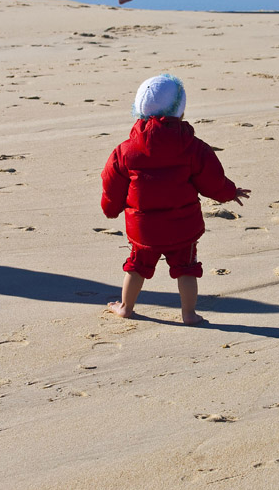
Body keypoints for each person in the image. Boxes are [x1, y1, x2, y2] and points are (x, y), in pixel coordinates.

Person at [100, 74, 251, 325]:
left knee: (136, 266)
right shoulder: (193, 147)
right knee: (186, 269)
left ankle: (126, 307)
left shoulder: (125, 151)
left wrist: (111, 209)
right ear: (180, 112)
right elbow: (212, 181)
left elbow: (111, 184)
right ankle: (189, 313)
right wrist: (230, 193)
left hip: (144, 229)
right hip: (182, 227)